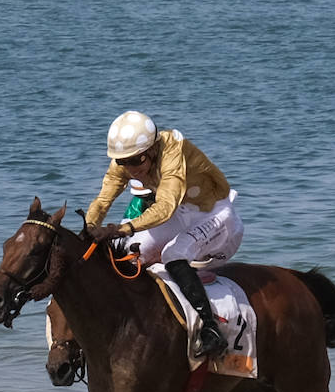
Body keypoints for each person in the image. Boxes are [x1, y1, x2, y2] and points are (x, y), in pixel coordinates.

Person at [85, 110, 243, 357]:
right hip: (182, 214)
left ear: (152, 150)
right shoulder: (125, 159)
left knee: (173, 253)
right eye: (123, 162)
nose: (130, 169)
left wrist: (121, 228)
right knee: (129, 253)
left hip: (216, 215)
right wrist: (87, 231)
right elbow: (103, 200)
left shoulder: (173, 151)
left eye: (136, 161)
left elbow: (165, 207)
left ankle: (210, 329)